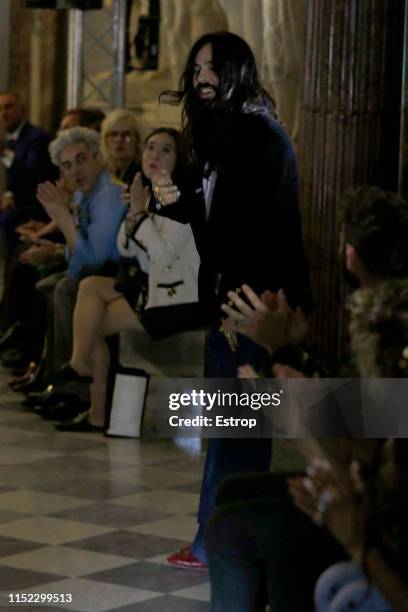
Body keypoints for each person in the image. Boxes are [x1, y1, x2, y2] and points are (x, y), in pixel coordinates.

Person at [150, 31, 313, 568]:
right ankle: (213, 539)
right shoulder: (227, 136)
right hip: (233, 299)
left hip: (253, 306)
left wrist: (233, 307)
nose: (203, 77)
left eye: (214, 67)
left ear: (237, 71)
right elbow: (210, 227)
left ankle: (220, 545)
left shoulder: (258, 137)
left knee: (239, 431)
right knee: (230, 428)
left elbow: (253, 234)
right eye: (197, 67)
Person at [205, 187, 408, 610]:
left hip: (387, 512)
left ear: (349, 255)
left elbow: (366, 445)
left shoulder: (388, 324)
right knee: (233, 494)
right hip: (377, 487)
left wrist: (289, 401)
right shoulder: (380, 315)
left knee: (244, 526)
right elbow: (368, 416)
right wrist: (290, 356)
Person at [54, 127, 200, 432]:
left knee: (91, 319)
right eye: (150, 147)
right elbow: (126, 247)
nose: (154, 155)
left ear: (179, 158)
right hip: (151, 286)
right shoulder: (148, 190)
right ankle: (82, 367)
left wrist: (137, 213)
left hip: (178, 297)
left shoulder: (181, 199)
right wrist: (136, 213)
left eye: (165, 150)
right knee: (89, 287)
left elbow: (162, 258)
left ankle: (91, 394)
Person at [36, 127, 127, 376]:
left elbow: (94, 263)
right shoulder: (81, 194)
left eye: (81, 159)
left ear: (99, 157)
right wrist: (59, 250)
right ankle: (52, 376)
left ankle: (78, 383)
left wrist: (63, 217)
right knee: (49, 283)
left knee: (65, 288)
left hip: (124, 276)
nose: (75, 171)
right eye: (66, 166)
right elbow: (76, 256)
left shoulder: (110, 195)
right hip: (100, 272)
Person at [100, 108, 141, 185]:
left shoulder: (144, 177)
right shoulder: (103, 173)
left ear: (138, 140)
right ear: (105, 140)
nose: (119, 140)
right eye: (113, 134)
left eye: (126, 134)